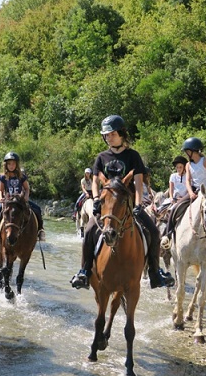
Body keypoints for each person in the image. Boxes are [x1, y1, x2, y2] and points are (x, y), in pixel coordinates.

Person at [70, 115, 174, 290]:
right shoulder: (102, 157)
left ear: (121, 133)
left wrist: (139, 204)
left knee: (154, 232)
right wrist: (96, 200)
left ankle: (155, 273)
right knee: (88, 232)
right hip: (106, 207)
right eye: (106, 135)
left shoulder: (133, 156)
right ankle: (85, 272)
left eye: (111, 134)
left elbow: (139, 182)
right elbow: (95, 181)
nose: (108, 138)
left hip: (129, 205)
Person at [160, 137, 206, 249]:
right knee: (175, 208)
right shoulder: (188, 165)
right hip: (195, 191)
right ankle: (168, 235)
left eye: (187, 151)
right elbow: (188, 181)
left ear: (192, 150)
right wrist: (190, 192)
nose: (186, 153)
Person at [0, 152, 46, 242]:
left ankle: (40, 230)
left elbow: (27, 188)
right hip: (8, 200)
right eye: (9, 164)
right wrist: (1, 198)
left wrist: (26, 196)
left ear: (17, 165)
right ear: (6, 165)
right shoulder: (3, 177)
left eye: (13, 164)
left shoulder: (21, 176)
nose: (11, 166)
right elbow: (1, 190)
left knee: (37, 209)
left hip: (20, 200)